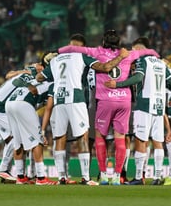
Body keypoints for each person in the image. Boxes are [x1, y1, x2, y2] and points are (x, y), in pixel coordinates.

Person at [57, 30, 159, 185]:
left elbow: (73, 49)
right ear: (119, 42)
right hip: (124, 100)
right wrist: (158, 57)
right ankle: (118, 176)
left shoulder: (97, 52)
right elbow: (149, 51)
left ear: (104, 41)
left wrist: (56, 52)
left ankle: (103, 175)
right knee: (120, 139)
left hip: (105, 100)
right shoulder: (128, 54)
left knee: (99, 138)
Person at [38, 33, 129, 185]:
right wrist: (120, 57)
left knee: (59, 138)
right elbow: (106, 67)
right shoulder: (81, 56)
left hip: (59, 99)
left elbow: (40, 78)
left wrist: (50, 67)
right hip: (76, 99)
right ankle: (86, 178)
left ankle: (62, 177)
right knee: (83, 137)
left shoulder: (56, 60)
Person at [104, 37, 171, 185]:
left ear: (140, 49)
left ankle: (139, 177)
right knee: (158, 141)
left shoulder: (142, 61)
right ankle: (158, 176)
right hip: (159, 107)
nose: (132, 53)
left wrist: (117, 84)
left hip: (144, 105)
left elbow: (138, 77)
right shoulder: (161, 63)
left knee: (141, 140)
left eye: (134, 50)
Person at [0, 64, 39, 183]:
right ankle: (3, 169)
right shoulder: (31, 76)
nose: (39, 65)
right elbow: (12, 77)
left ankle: (13, 173)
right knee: (17, 137)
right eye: (39, 65)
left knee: (17, 138)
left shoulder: (24, 73)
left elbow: (8, 74)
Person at [5, 71, 57, 185]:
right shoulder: (53, 83)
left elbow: (14, 80)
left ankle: (20, 176)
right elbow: (48, 107)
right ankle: (41, 177)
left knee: (18, 141)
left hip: (9, 104)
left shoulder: (32, 78)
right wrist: (42, 131)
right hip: (23, 104)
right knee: (37, 141)